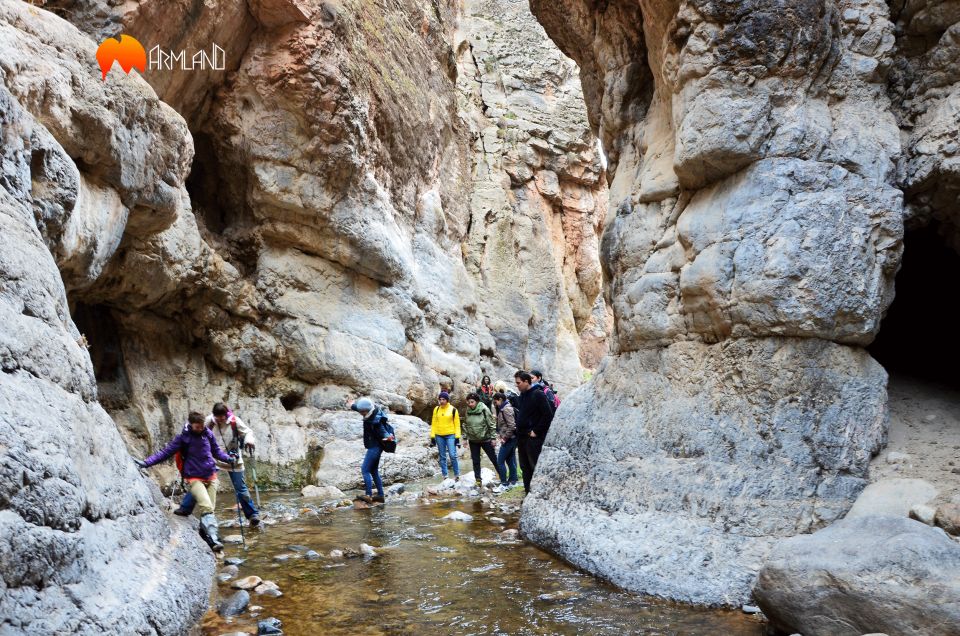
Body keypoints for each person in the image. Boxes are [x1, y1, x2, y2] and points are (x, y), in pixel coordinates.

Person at [134, 411, 235, 552]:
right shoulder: (183, 438)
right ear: (191, 424)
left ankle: (205, 534)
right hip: (194, 477)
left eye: (201, 426)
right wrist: (146, 463)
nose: (200, 429)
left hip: (211, 476)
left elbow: (216, 452)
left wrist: (228, 458)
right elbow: (165, 453)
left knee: (209, 510)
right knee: (207, 508)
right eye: (197, 426)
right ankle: (214, 540)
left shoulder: (208, 434)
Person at [175, 402, 260, 527]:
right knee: (198, 482)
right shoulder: (209, 421)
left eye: (222, 416)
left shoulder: (234, 421)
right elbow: (191, 426)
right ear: (214, 415)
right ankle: (185, 508)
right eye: (217, 416)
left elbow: (248, 432)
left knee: (241, 489)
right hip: (213, 459)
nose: (220, 419)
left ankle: (252, 515)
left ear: (227, 414)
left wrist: (249, 440)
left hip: (233, 460)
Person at [513, 370, 555, 494]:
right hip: (521, 438)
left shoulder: (538, 394)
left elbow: (548, 415)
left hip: (533, 439)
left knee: (535, 467)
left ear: (526, 381)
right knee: (525, 468)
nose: (517, 385)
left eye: (519, 383)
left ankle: (539, 494)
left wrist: (536, 431)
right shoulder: (522, 396)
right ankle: (528, 494)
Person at [347, 397, 394, 503]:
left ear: (367, 411)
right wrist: (352, 405)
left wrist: (388, 436)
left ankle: (368, 494)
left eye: (362, 412)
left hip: (375, 447)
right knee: (373, 471)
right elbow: (361, 408)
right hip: (376, 445)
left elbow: (382, 429)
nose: (361, 413)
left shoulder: (375, 419)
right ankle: (381, 495)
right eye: (360, 411)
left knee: (365, 469)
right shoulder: (370, 410)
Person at [462, 392, 503, 488]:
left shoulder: (484, 409)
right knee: (476, 461)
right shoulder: (468, 410)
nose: (470, 404)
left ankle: (502, 477)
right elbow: (465, 424)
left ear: (476, 401)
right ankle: (478, 480)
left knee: (493, 458)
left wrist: (493, 438)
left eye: (472, 402)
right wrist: (465, 438)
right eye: (468, 402)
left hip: (486, 439)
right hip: (473, 440)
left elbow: (491, 424)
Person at [430, 391, 461, 480]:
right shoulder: (436, 409)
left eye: (443, 399)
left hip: (450, 435)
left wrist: (457, 438)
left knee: (452, 455)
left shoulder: (453, 410)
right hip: (439, 435)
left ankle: (457, 475)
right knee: (442, 456)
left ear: (447, 400)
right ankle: (445, 476)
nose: (441, 401)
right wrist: (432, 437)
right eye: (440, 399)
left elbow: (457, 425)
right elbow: (434, 423)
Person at [492, 392, 519, 491]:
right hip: (512, 438)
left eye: (495, 401)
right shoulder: (505, 408)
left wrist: (504, 438)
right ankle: (513, 481)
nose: (495, 404)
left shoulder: (506, 409)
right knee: (510, 460)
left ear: (500, 399)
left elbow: (512, 425)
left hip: (509, 439)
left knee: (500, 461)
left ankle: (504, 483)